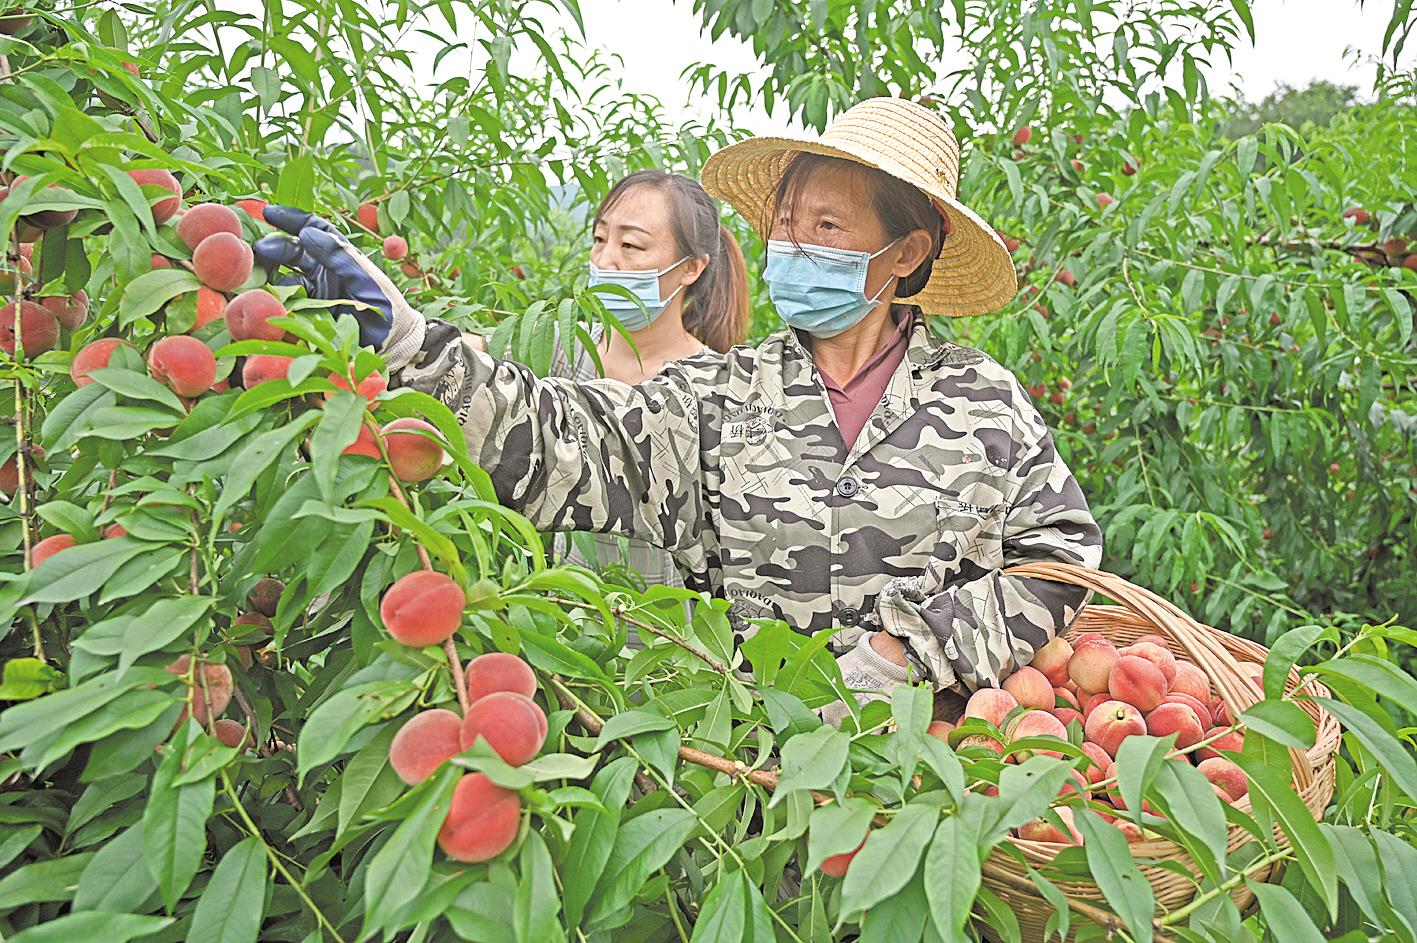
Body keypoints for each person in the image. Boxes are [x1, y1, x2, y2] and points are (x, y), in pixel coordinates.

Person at [253, 98, 1104, 722]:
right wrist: (412, 345)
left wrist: (911, 648)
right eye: (786, 222)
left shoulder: (980, 401)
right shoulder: (720, 394)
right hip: (750, 773)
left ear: (906, 253)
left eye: (828, 225)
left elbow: (1061, 557)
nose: (793, 245)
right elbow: (564, 442)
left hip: (937, 781)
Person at [465, 171, 749, 600]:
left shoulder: (716, 388)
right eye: (600, 240)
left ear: (691, 268)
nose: (605, 261)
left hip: (671, 648)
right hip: (564, 624)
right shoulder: (558, 347)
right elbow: (466, 363)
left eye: (630, 245)